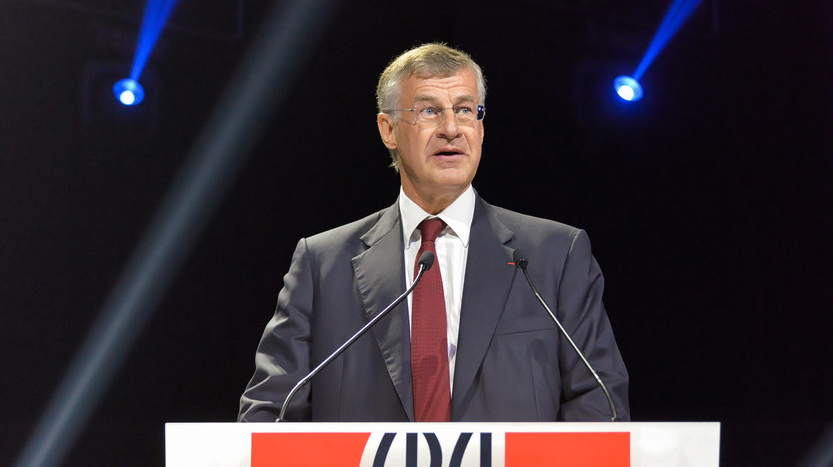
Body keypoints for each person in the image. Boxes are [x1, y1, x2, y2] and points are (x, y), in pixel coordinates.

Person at [238, 42, 628, 422]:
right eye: (429, 110)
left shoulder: (554, 255)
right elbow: (270, 411)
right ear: (388, 129)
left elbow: (599, 402)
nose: (451, 129)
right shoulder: (322, 263)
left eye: (464, 110)